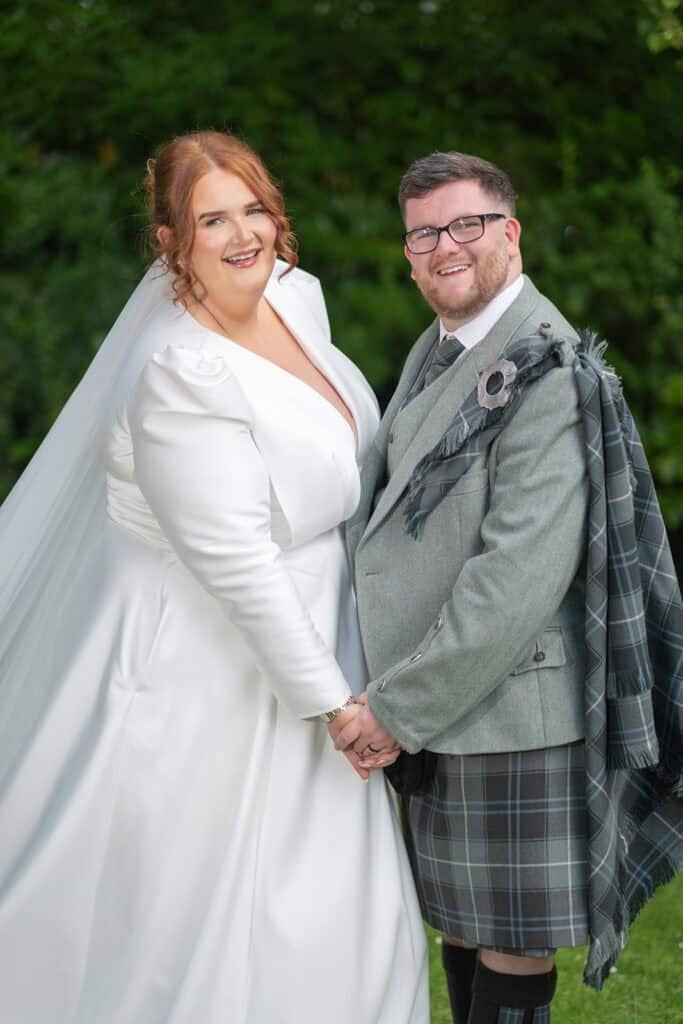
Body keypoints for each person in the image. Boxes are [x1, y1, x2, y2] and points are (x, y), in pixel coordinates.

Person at [0, 131, 428, 1023]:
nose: (243, 234)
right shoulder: (177, 373)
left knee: (331, 891)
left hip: (322, 629)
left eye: (253, 208)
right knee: (205, 907)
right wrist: (335, 705)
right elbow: (235, 563)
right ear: (170, 243)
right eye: (211, 219)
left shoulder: (292, 299)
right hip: (215, 671)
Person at [333, 151, 683, 1024]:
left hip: (504, 704)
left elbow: (514, 576)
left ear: (508, 232)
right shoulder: (443, 344)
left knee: (508, 941)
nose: (444, 246)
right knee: (462, 928)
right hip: (451, 701)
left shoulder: (548, 368)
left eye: (464, 225)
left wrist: (395, 708)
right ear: (408, 252)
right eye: (424, 233)